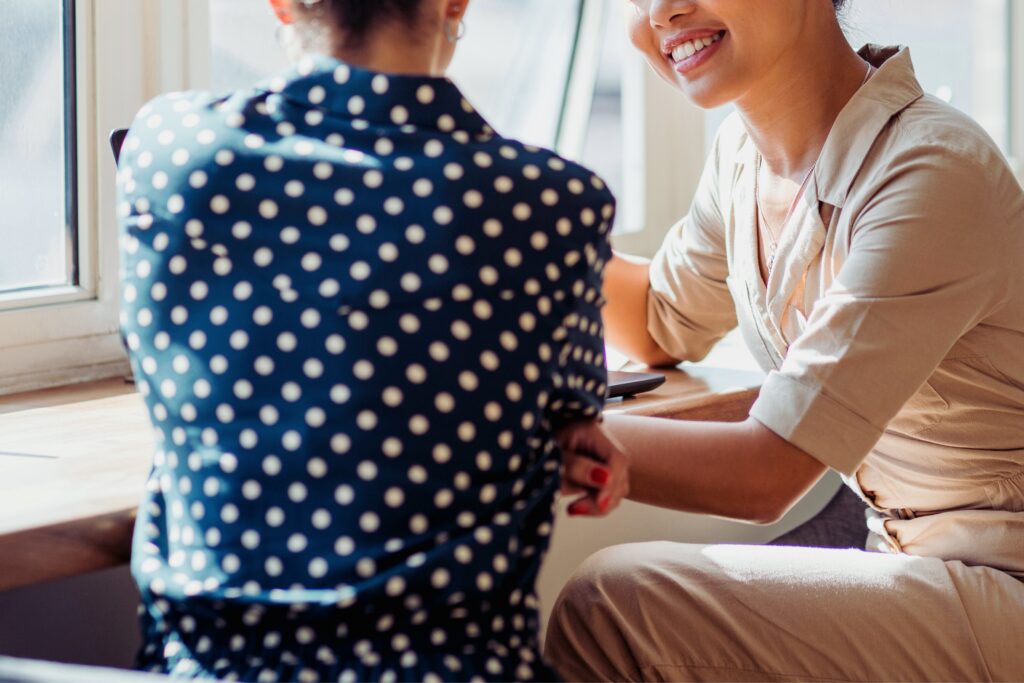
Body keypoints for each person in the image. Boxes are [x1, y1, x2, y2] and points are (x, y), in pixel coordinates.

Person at [115, 0, 629, 679]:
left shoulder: (171, 150)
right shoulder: (552, 204)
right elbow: (570, 405)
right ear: (454, 5)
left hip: (216, 667)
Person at [545, 0, 1024, 680]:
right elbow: (658, 318)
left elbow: (767, 472)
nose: (661, 11)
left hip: (1004, 584)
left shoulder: (930, 171)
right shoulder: (744, 160)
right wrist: (505, 213)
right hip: (914, 571)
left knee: (613, 604)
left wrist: (527, 431)